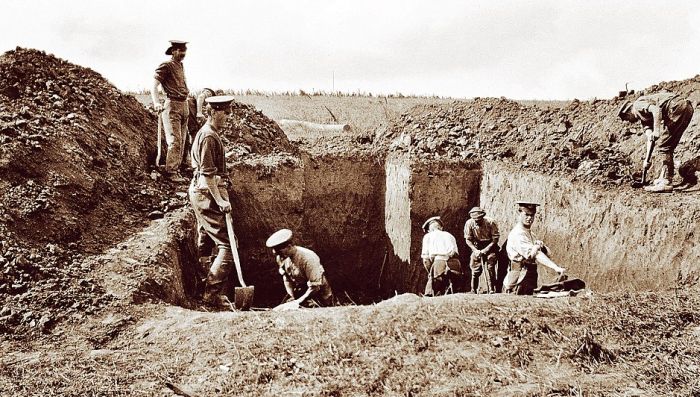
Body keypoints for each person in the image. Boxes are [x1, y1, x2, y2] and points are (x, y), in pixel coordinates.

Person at [188, 95, 236, 308]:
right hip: (207, 193)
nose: (228, 116)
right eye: (225, 112)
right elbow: (207, 175)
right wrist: (220, 201)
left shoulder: (209, 134)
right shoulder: (208, 137)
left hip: (203, 192)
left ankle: (202, 283)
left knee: (206, 239)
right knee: (227, 244)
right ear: (213, 112)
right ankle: (211, 295)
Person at [618, 91, 694, 192]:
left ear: (627, 112)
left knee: (664, 146)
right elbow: (651, 139)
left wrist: (657, 130)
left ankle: (665, 181)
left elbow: (656, 109)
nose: (628, 122)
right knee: (667, 145)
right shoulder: (643, 119)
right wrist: (647, 160)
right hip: (686, 108)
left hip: (676, 107)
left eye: (627, 119)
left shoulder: (637, 105)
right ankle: (665, 178)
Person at [503, 201, 566, 295]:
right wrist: (556, 268)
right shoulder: (517, 234)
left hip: (530, 275)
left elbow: (548, 254)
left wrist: (542, 246)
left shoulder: (530, 234)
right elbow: (534, 255)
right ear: (519, 214)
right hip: (518, 279)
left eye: (532, 215)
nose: (529, 218)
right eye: (526, 214)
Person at [266, 229, 335, 311]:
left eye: (281, 253)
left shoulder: (308, 258)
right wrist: (292, 296)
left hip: (319, 293)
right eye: (277, 254)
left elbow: (315, 287)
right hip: (301, 292)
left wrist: (297, 302)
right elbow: (286, 278)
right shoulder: (281, 257)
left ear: (289, 246)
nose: (280, 256)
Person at [151, 40, 190, 182]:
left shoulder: (180, 65)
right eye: (180, 50)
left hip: (183, 104)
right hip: (172, 105)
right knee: (175, 140)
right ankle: (171, 172)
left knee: (184, 140)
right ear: (173, 51)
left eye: (184, 50)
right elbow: (154, 86)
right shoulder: (166, 66)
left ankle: (178, 168)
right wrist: (156, 102)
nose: (183, 53)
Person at [420, 216, 462, 296]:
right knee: (455, 292)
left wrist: (430, 272)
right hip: (454, 263)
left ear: (429, 230)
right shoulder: (449, 235)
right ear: (441, 227)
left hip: (439, 263)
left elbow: (425, 259)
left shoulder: (428, 237)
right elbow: (455, 253)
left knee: (433, 291)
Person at [464, 206, 500, 294]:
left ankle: (492, 288)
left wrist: (485, 250)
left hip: (490, 246)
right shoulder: (469, 223)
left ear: (482, 217)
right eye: (475, 219)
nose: (477, 221)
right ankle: (473, 289)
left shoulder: (491, 222)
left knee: (490, 266)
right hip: (476, 246)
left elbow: (495, 239)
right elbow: (468, 239)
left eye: (479, 219)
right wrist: (475, 250)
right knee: (475, 266)